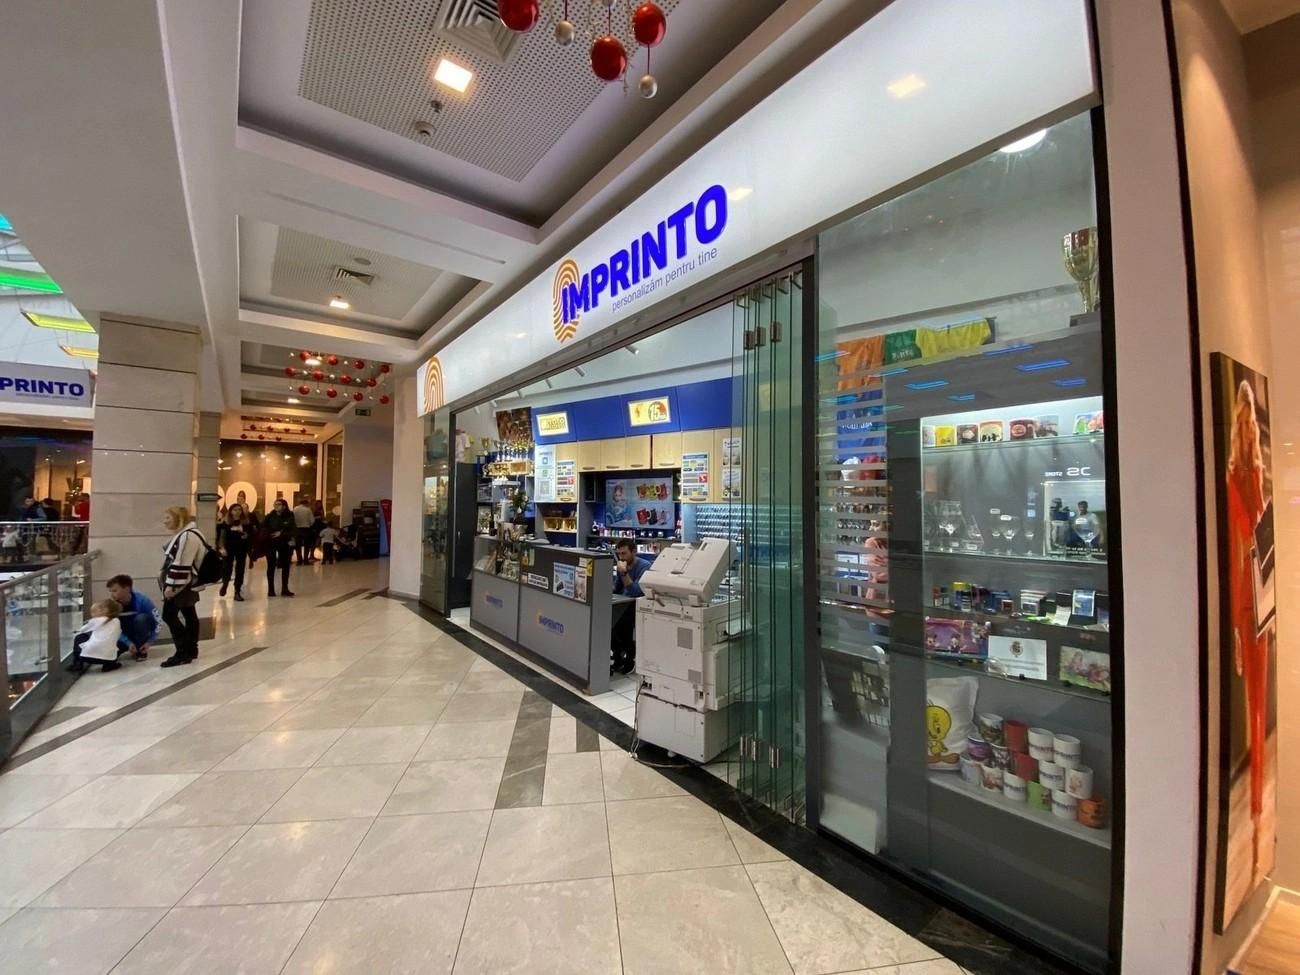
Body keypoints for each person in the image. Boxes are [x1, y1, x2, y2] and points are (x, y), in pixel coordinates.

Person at [1227, 379, 1271, 881]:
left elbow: (1257, 540)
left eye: (1248, 421)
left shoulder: (1251, 476)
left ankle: (1258, 808)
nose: (1245, 429)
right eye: (1241, 421)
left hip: (1256, 595)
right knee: (1252, 701)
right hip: (1246, 595)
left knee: (1259, 700)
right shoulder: (1236, 478)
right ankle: (1256, 808)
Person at [158, 506, 207, 668]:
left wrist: (171, 587)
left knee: (169, 615)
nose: (165, 521)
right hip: (187, 583)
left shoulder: (187, 536)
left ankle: (182, 652)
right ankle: (191, 649)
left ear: (178, 518)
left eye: (168, 517)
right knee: (189, 613)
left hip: (181, 584)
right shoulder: (191, 533)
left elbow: (182, 563)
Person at [107, 574, 160, 661]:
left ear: (127, 589)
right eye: (110, 591)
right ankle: (127, 648)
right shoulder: (112, 605)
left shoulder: (143, 600)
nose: (112, 595)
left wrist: (149, 642)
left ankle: (141, 649)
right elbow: (112, 628)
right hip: (123, 636)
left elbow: (158, 622)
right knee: (109, 657)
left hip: (140, 632)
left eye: (115, 591)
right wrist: (128, 642)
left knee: (141, 618)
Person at [66, 599, 124, 673]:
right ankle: (109, 665)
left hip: (87, 657)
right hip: (109, 659)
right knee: (118, 644)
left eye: (94, 612)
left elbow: (84, 629)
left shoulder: (96, 620)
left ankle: (77, 664)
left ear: (105, 611)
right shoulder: (117, 621)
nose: (92, 615)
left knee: (79, 637)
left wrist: (78, 630)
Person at [217, 502, 253, 601]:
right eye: (235, 510)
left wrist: (246, 535)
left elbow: (251, 534)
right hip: (229, 548)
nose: (237, 512)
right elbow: (222, 536)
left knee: (240, 570)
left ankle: (237, 590)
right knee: (227, 568)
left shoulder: (246, 523)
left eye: (239, 510)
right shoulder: (226, 523)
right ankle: (225, 584)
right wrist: (222, 547)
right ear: (231, 511)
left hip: (241, 548)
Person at [263, 497, 296, 597]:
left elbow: (293, 530)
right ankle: (271, 589)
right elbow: (263, 528)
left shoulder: (289, 516)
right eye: (275, 504)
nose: (276, 506)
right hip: (271, 543)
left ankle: (285, 588)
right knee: (271, 566)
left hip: (284, 543)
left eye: (279, 504)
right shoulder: (269, 516)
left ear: (284, 506)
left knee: (286, 566)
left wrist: (282, 533)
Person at [292, 495, 315, 565]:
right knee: (307, 545)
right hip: (306, 529)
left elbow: (292, 519)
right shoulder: (308, 510)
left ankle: (299, 560)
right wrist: (309, 524)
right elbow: (312, 520)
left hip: (297, 529)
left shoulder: (295, 509)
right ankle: (305, 560)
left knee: (298, 546)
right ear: (306, 503)